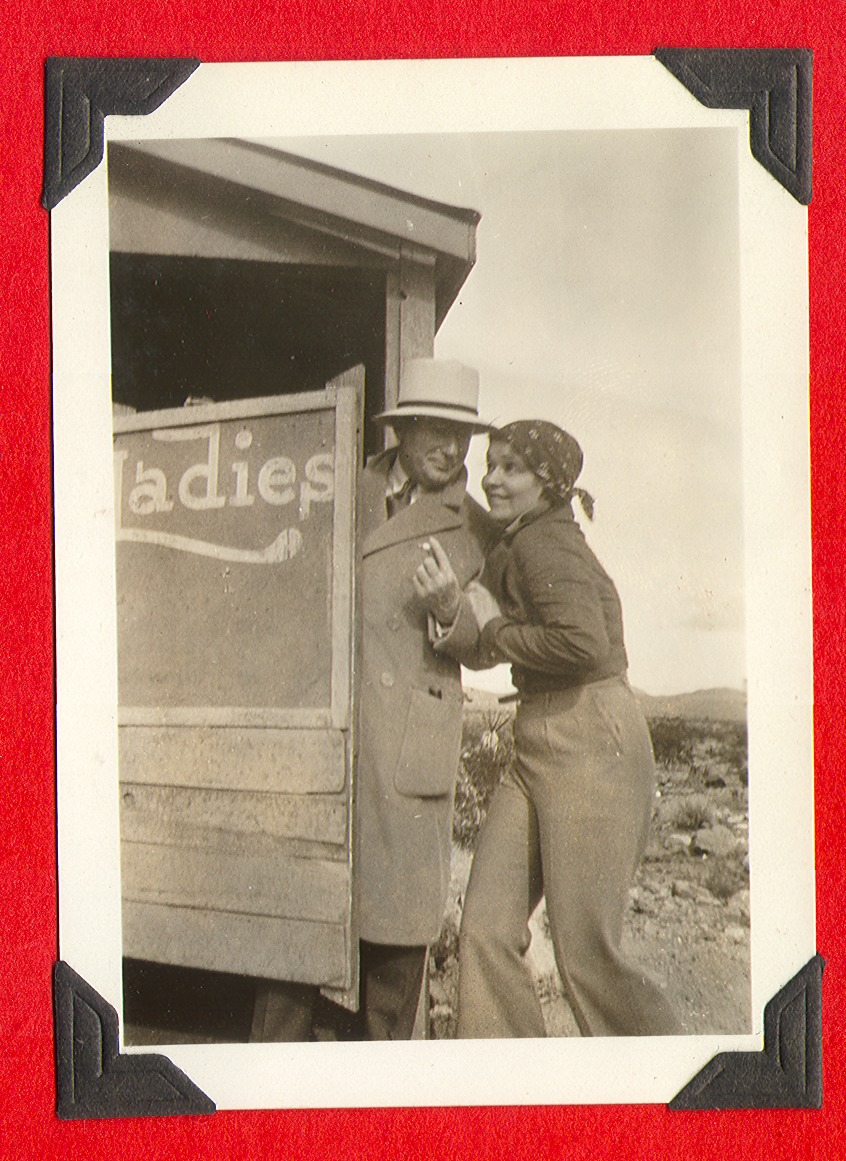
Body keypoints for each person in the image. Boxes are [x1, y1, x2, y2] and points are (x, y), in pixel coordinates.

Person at [413, 420, 681, 1037]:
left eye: (511, 468)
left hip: (590, 739)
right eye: (491, 464)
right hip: (541, 740)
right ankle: (512, 1092)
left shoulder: (546, 544)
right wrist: (458, 612)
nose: (492, 478)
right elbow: (494, 637)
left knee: (588, 957)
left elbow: (579, 643)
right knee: (485, 926)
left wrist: (490, 630)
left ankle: (686, 1097)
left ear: (549, 483)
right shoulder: (521, 540)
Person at [252, 358, 493, 1041]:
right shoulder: (338, 483)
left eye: (462, 434)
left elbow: (491, 638)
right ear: (405, 427)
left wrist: (452, 611)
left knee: (393, 950)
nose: (451, 447)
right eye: (437, 429)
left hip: (405, 746)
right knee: (302, 925)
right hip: (331, 734)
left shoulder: (476, 528)